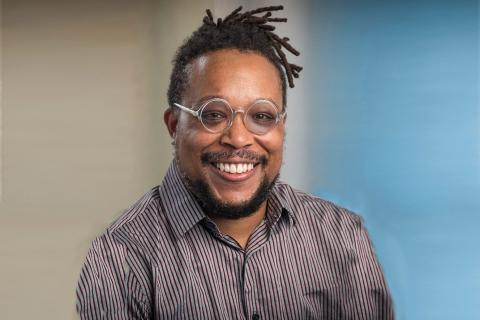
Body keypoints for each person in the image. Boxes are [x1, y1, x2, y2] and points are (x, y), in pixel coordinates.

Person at [76, 5, 394, 319]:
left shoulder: (342, 238)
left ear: (281, 127)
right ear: (174, 125)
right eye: (213, 115)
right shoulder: (120, 258)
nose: (239, 138)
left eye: (261, 116)